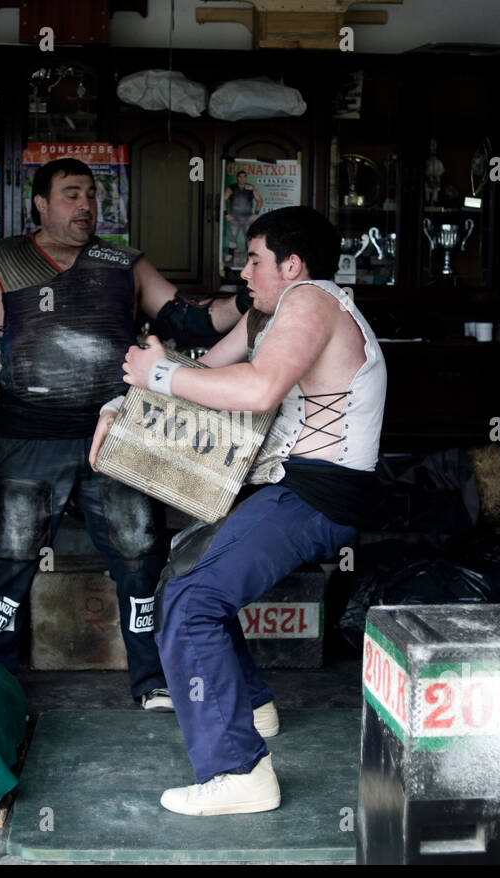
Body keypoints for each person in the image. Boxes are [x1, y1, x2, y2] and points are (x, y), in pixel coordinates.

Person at [90, 206, 387, 814]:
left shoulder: (311, 300)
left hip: (317, 492)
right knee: (186, 569)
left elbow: (256, 389)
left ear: (293, 264)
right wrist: (123, 404)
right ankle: (251, 705)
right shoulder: (274, 314)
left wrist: (161, 373)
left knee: (192, 599)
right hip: (293, 485)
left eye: (255, 260)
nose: (244, 272)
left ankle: (239, 772)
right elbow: (203, 373)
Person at [0, 158, 249, 709]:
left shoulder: (122, 262)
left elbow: (188, 321)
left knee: (141, 557)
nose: (86, 206)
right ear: (41, 204)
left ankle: (154, 681)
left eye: (92, 196)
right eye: (71, 194)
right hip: (29, 442)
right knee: (6, 556)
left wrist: (247, 299)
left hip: (119, 436)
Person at [222, 170, 263, 269]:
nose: (242, 178)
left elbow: (260, 200)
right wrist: (226, 213)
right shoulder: (232, 188)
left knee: (249, 239)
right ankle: (230, 254)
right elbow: (223, 199)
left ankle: (249, 257)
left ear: (246, 177)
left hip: (247, 217)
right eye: (240, 176)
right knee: (233, 238)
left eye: (244, 176)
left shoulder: (250, 187)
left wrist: (256, 213)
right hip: (235, 217)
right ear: (237, 178)